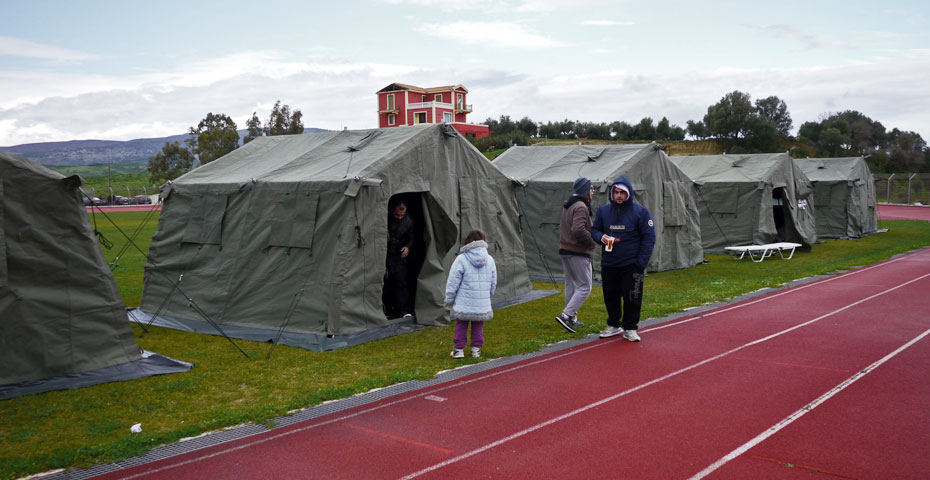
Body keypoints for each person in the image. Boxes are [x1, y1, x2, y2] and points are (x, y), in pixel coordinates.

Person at [591, 177, 656, 342]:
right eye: (616, 192)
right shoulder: (603, 211)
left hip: (631, 264)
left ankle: (630, 327)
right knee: (610, 295)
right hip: (609, 263)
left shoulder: (640, 212)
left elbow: (648, 238)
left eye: (622, 193)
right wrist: (601, 237)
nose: (619, 196)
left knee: (632, 297)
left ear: (628, 193)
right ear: (612, 193)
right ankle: (613, 325)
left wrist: (640, 263)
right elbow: (594, 230)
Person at [445, 229, 497, 359]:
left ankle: (459, 350)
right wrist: (488, 295)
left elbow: (453, 280)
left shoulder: (461, 259)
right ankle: (476, 350)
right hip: (482, 300)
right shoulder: (490, 259)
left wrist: (449, 298)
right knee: (478, 325)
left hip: (464, 300)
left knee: (461, 324)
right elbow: (493, 281)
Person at [555, 177, 597, 333]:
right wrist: (592, 242)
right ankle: (566, 315)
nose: (593, 191)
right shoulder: (580, 206)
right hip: (577, 251)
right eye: (591, 188)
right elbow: (578, 230)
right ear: (585, 190)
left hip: (565, 249)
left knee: (571, 285)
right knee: (585, 286)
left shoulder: (570, 204)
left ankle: (572, 318)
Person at [385, 200, 415, 318]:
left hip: (398, 257)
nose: (399, 217)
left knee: (401, 283)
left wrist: (407, 247)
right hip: (385, 254)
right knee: (386, 284)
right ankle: (387, 309)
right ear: (392, 210)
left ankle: (403, 310)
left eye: (402, 215)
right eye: (397, 215)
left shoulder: (408, 221)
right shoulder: (385, 219)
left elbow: (412, 237)